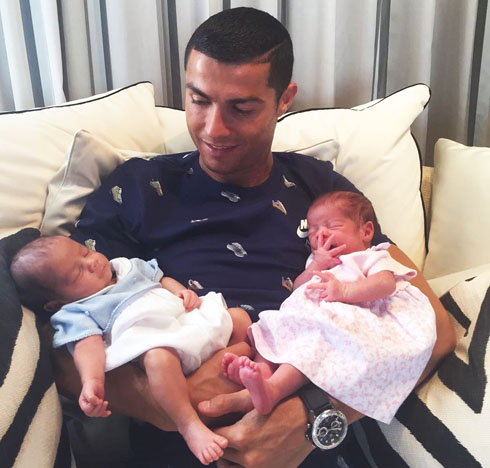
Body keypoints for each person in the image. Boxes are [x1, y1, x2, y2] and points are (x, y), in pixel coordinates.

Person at [49, 7, 456, 468]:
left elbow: (435, 328)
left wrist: (314, 419)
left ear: (285, 99)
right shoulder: (138, 187)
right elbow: (61, 335)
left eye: (241, 108)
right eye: (198, 100)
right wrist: (173, 405)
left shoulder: (323, 191)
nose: (213, 128)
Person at [11, 235, 251, 465]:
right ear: (56, 303)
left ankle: (251, 373)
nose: (92, 262)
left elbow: (160, 278)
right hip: (158, 341)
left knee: (238, 318)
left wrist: (181, 291)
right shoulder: (78, 310)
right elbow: (87, 345)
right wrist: (92, 382)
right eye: (78, 272)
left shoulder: (126, 267)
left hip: (189, 321)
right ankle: (189, 425)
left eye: (85, 252)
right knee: (158, 359)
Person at [222, 191, 437, 424]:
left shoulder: (371, 256)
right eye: (313, 231)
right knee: (271, 328)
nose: (320, 234)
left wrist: (344, 292)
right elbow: (298, 287)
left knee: (311, 345)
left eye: (332, 226)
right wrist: (316, 264)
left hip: (358, 317)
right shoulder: (317, 262)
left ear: (366, 232)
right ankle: (260, 376)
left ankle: (274, 389)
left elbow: (384, 285)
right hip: (311, 316)